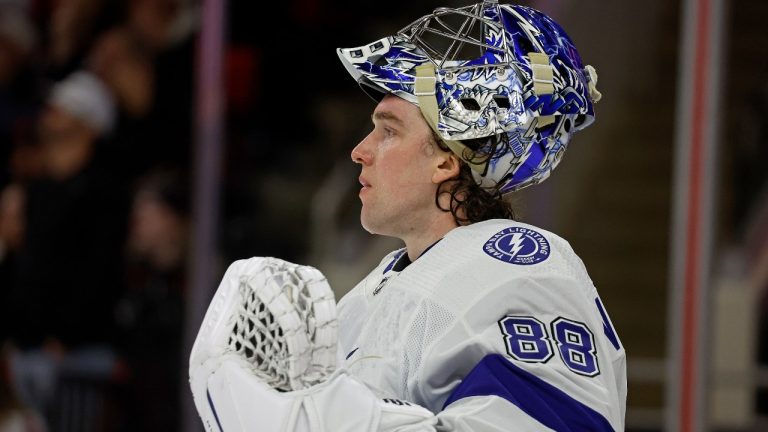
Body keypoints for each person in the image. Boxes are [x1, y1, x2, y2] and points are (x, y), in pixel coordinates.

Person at [192, 1, 625, 431]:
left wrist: (327, 418)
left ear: (447, 159)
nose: (359, 151)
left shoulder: (522, 271)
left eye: (389, 130)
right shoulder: (369, 296)